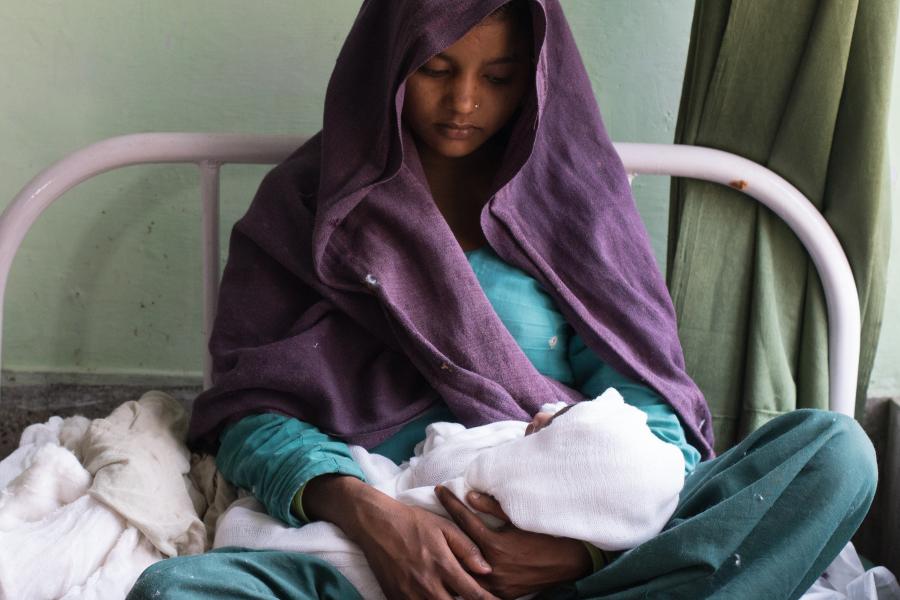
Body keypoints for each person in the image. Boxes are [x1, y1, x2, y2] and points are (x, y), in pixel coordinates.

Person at [127, 1, 877, 599]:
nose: (464, 101)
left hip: (582, 536)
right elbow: (252, 418)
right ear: (385, 67)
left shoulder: (577, 206)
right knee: (173, 591)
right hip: (375, 537)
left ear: (538, 77)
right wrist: (380, 523)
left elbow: (652, 428)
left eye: (499, 76)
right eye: (434, 69)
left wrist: (574, 551)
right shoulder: (305, 207)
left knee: (836, 454)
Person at [209, 391, 687, 600]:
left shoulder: (586, 226)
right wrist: (365, 512)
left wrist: (584, 553)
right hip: (347, 495)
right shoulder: (295, 226)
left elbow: (661, 446)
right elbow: (248, 420)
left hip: (603, 559)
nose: (543, 414)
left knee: (742, 480)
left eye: (558, 419)